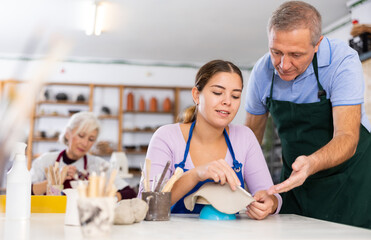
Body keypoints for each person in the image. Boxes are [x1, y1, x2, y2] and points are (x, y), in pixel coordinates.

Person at [245, 1, 371, 228]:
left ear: (317, 44)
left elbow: (347, 138)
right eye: (276, 52)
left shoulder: (342, 61)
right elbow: (248, 140)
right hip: (294, 183)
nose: (283, 65)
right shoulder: (263, 72)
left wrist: (311, 163)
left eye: (295, 54)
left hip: (351, 181)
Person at [139, 60, 282, 220]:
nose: (227, 101)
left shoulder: (244, 137)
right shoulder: (166, 137)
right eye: (217, 93)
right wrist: (195, 175)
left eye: (235, 96)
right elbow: (146, 205)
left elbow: (272, 196)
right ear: (196, 95)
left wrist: (270, 203)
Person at [30, 111, 136, 201]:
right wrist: (54, 181)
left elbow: (129, 193)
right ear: (68, 134)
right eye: (81, 136)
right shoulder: (45, 161)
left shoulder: (98, 165)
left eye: (91, 139)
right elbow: (24, 191)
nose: (85, 144)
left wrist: (102, 195)